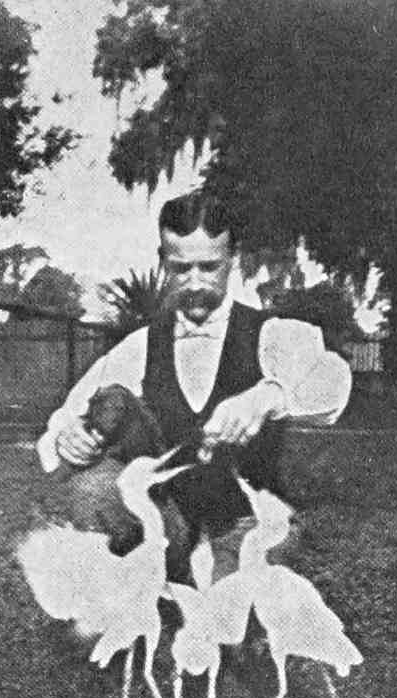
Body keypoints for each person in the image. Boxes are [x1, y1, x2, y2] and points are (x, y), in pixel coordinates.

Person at [36, 190, 351, 579]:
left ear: (233, 258)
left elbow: (332, 379)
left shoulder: (270, 334)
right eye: (181, 269)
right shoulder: (141, 346)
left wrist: (268, 396)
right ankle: (161, 576)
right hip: (171, 520)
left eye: (210, 267)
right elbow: (67, 418)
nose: (196, 283)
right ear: (163, 261)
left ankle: (204, 586)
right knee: (92, 489)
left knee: (228, 606)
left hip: (248, 520)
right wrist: (68, 437)